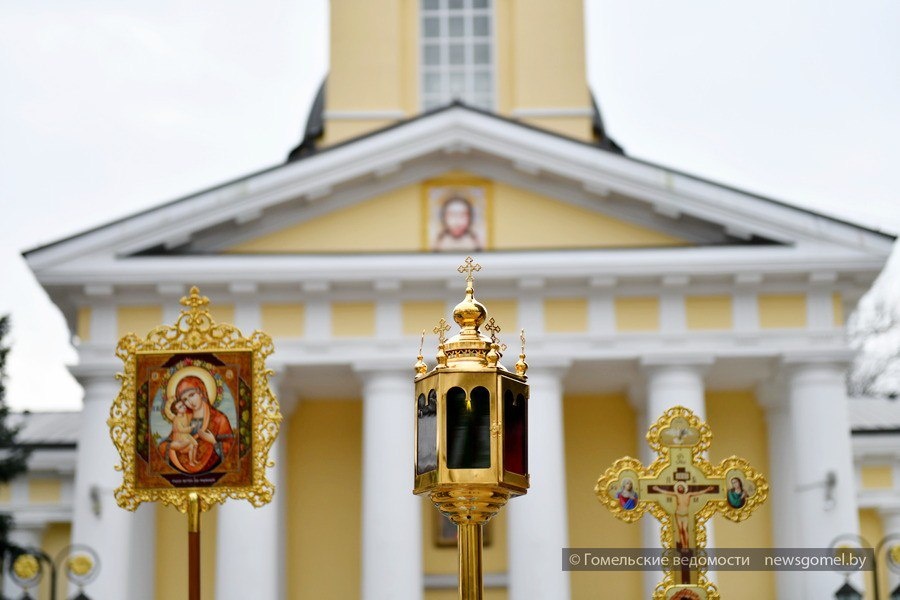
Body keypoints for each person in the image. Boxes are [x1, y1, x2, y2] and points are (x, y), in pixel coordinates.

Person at [159, 373, 234, 475]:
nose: (190, 402)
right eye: (185, 399)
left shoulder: (219, 419)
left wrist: (213, 442)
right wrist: (172, 446)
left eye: (192, 395)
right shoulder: (184, 418)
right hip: (181, 468)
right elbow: (170, 440)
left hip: (211, 471)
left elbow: (232, 451)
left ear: (201, 392)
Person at [650, 482, 717, 548]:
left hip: (685, 514)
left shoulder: (688, 494)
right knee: (680, 531)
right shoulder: (677, 494)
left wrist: (707, 489)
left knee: (685, 530)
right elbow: (667, 492)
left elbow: (698, 493)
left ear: (684, 488)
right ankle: (683, 546)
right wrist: (658, 489)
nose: (680, 489)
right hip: (678, 514)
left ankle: (686, 545)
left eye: (681, 487)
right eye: (679, 488)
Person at [166, 398, 205, 467]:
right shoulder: (176, 419)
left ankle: (194, 459)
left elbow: (192, 416)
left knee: (195, 444)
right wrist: (191, 427)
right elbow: (181, 430)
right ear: (176, 411)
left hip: (186, 435)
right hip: (180, 437)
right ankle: (191, 462)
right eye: (180, 407)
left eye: (183, 405)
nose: (183, 407)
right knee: (191, 446)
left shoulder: (186, 415)